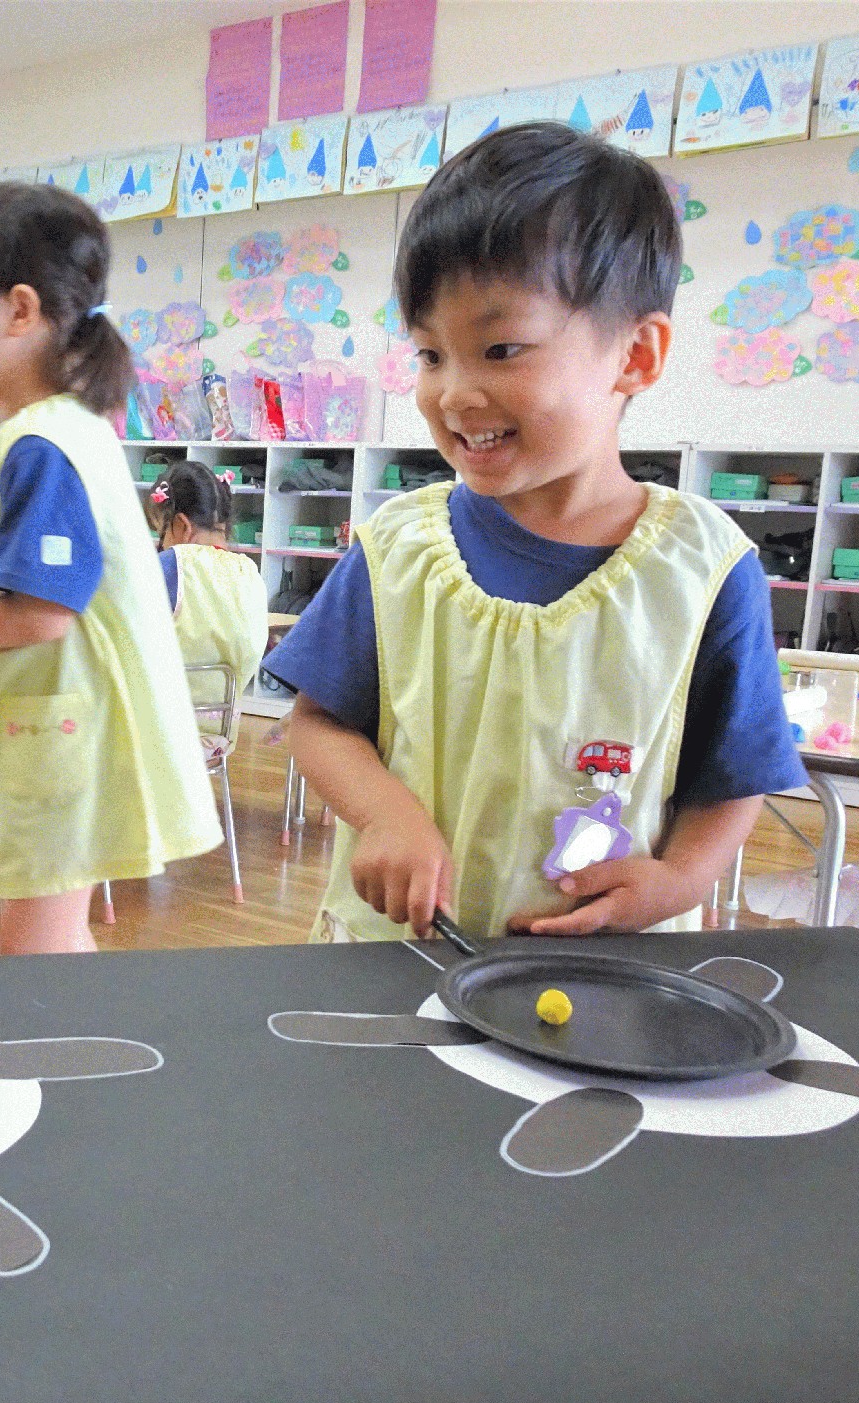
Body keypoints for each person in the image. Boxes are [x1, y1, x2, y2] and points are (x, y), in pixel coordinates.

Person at [266, 121, 804, 942]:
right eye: (430, 355)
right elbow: (321, 722)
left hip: (598, 969)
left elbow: (731, 777)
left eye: (500, 348)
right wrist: (386, 815)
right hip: (398, 956)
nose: (453, 394)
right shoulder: (398, 548)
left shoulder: (704, 568)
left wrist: (676, 882)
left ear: (636, 355)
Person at [0, 181, 220, 954]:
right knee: (48, 935)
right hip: (54, 725)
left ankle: (45, 1068)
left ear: (19, 311)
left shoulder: (43, 444)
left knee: (33, 948)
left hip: (62, 734)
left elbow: (42, 610)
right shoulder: (45, 433)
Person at [151, 460, 268, 722]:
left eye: (160, 532)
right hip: (219, 734)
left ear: (182, 526)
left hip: (160, 732)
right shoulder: (249, 573)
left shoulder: (172, 566)